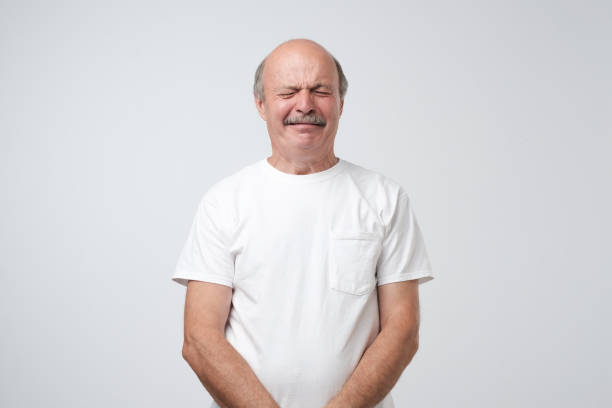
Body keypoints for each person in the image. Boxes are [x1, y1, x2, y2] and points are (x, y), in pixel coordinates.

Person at [171, 38, 434, 408]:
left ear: (341, 102)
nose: (305, 104)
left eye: (321, 90)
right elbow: (199, 340)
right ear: (261, 104)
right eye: (288, 91)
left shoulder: (385, 199)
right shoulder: (224, 202)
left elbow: (403, 331)